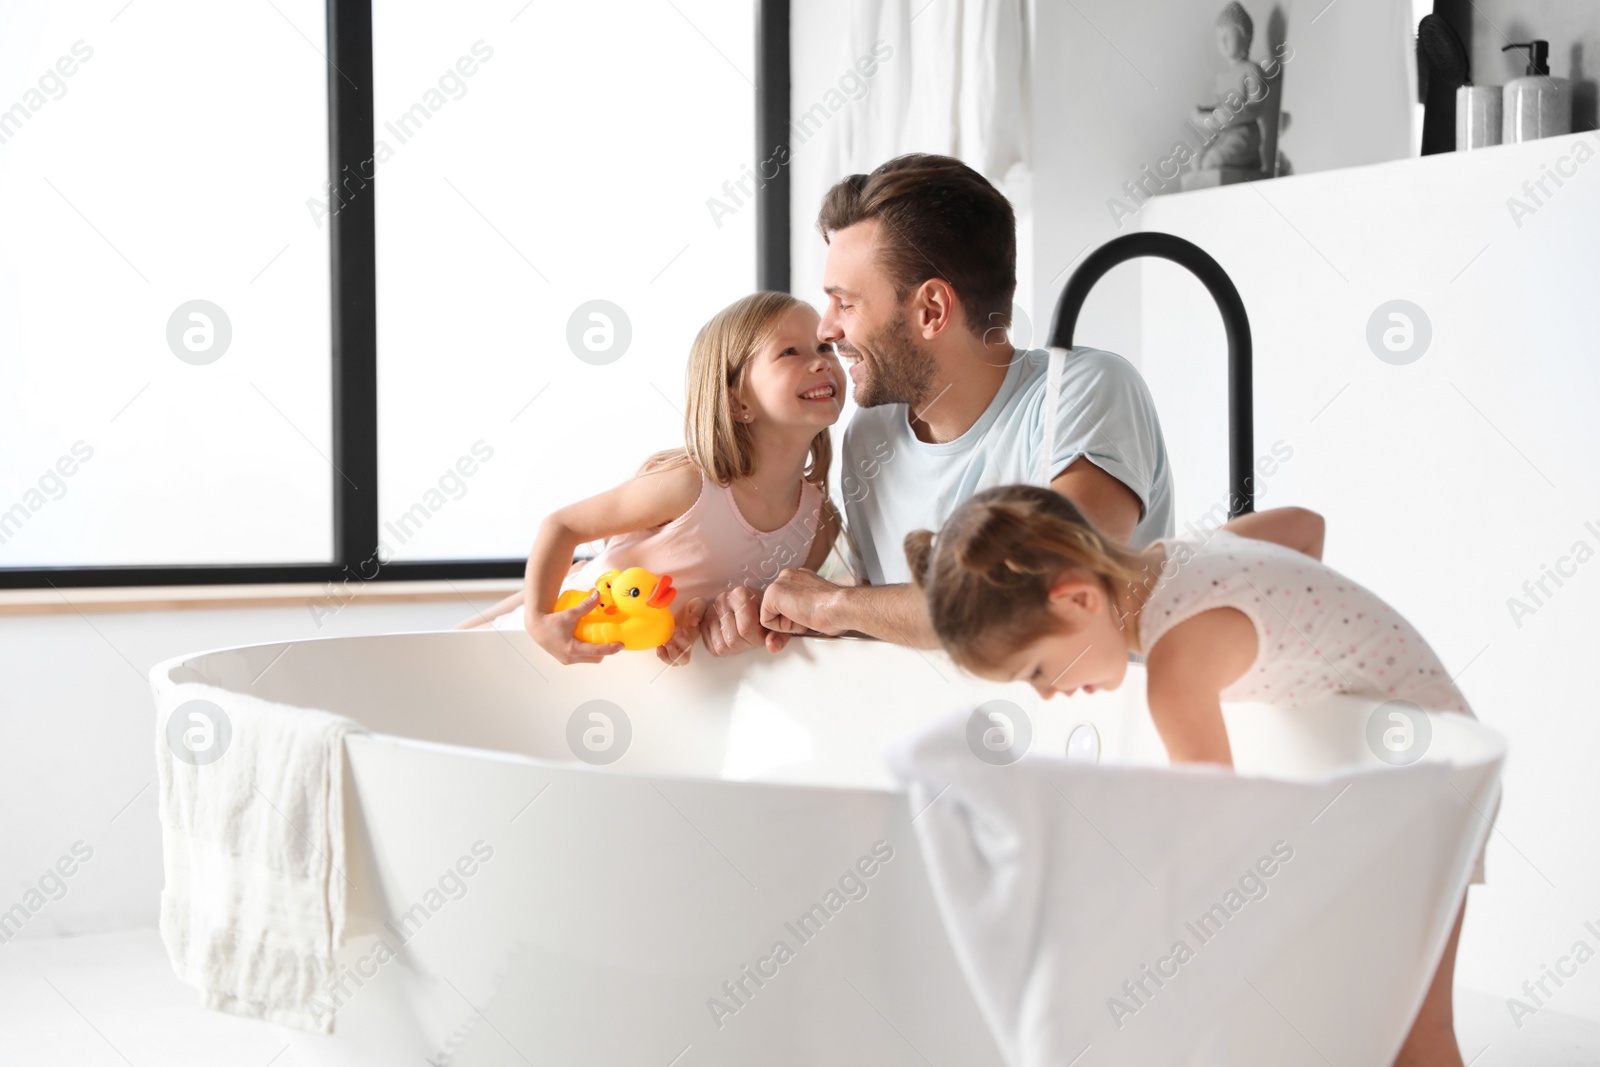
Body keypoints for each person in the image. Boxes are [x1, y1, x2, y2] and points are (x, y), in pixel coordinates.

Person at [906, 484, 1477, 1067]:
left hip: (1428, 779)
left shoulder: (1178, 675)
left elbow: (1211, 840)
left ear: (1078, 600)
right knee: (1368, 1020)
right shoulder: (1185, 557)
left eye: (1038, 670)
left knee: (1415, 1032)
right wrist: (1299, 654)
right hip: (1417, 748)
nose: (1049, 695)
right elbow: (1305, 526)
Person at [698, 153, 1175, 657]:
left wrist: (836, 606)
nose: (826, 329)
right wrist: (776, 615)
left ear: (932, 310)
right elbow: (905, 621)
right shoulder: (872, 432)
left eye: (847, 303)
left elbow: (1044, 598)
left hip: (1082, 726)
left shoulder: (1084, 392)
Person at [459, 292, 845, 667]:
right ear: (738, 403)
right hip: (523, 650)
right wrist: (540, 622)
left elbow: (752, 618)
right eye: (790, 352)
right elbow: (562, 526)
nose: (820, 363)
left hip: (616, 678)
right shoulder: (691, 485)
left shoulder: (820, 525)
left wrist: (691, 627)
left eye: (824, 348)